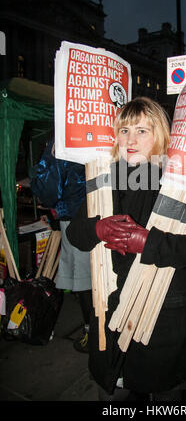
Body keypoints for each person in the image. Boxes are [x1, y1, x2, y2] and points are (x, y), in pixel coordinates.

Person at [66, 97, 186, 401]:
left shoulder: (180, 182)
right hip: (111, 313)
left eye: (141, 131)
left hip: (163, 318)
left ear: (160, 135)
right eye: (123, 130)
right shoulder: (105, 179)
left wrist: (149, 243)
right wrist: (96, 228)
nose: (130, 139)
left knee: (166, 398)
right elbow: (75, 233)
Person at [30, 139, 93, 353]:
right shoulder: (99, 131)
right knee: (93, 278)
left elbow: (49, 190)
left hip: (77, 218)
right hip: (100, 213)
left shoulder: (65, 139)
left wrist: (46, 160)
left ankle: (93, 333)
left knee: (84, 280)